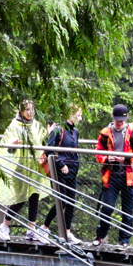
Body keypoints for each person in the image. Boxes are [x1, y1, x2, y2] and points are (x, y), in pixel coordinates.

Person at [0, 100, 48, 241]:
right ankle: (5, 225)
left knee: (34, 197)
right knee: (20, 198)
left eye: (32, 109)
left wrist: (47, 133)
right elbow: (6, 147)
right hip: (20, 168)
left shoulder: (36, 124)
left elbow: (41, 140)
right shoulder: (14, 125)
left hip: (34, 167)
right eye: (27, 110)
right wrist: (12, 145)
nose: (30, 112)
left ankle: (31, 229)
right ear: (21, 111)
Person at [93, 104, 133, 245]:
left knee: (127, 212)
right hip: (111, 176)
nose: (119, 123)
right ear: (113, 118)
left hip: (129, 177)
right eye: (117, 120)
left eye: (122, 121)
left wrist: (126, 158)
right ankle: (100, 236)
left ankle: (124, 241)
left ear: (126, 118)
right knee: (107, 208)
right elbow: (98, 151)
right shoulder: (105, 133)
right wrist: (106, 158)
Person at [41, 104, 84, 244]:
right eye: (78, 115)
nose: (81, 118)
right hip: (60, 170)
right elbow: (49, 150)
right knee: (62, 200)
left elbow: (75, 150)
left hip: (73, 170)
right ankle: (44, 227)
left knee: (71, 201)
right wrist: (61, 164)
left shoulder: (75, 131)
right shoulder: (59, 130)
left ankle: (67, 233)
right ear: (70, 114)